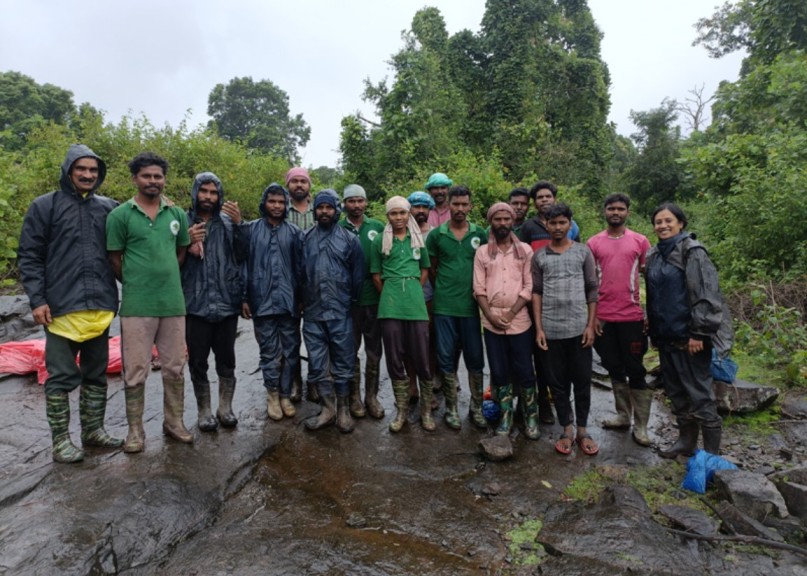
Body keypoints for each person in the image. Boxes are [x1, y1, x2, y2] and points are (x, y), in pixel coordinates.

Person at [18, 144, 123, 463]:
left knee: (96, 374)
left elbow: (130, 246)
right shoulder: (44, 206)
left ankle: (93, 431)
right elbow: (30, 256)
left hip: (100, 306)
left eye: (93, 170)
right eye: (82, 169)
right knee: (61, 375)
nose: (88, 175)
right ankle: (61, 441)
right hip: (61, 307)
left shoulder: (109, 208)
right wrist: (37, 300)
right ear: (68, 171)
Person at [106, 152, 192, 453]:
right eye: (147, 176)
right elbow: (115, 259)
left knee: (174, 366)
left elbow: (181, 253)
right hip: (136, 305)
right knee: (135, 368)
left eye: (158, 176)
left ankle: (174, 423)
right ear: (135, 179)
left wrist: (163, 278)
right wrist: (136, 282)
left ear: (164, 179)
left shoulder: (177, 214)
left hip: (172, 303)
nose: (153, 181)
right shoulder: (120, 216)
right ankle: (135, 431)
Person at [645, 203, 725, 457]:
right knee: (676, 392)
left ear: (681, 223)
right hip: (666, 337)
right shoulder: (654, 255)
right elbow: (655, 296)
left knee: (699, 394)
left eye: (668, 220)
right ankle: (686, 442)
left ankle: (711, 454)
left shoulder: (693, 252)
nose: (663, 226)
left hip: (690, 338)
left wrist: (699, 333)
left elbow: (706, 294)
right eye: (658, 222)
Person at [181, 172, 248, 432]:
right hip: (194, 305)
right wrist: (186, 244)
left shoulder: (229, 224)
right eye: (204, 191)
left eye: (213, 192)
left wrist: (240, 224)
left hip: (226, 303)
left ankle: (225, 407)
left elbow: (243, 257)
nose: (208, 197)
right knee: (197, 361)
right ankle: (204, 410)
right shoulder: (182, 221)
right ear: (195, 192)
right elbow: (169, 261)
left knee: (227, 359)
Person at [532, 204, 599, 456]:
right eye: (553, 223)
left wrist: (591, 324)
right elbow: (536, 292)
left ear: (570, 224)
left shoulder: (583, 253)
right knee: (557, 384)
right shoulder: (539, 256)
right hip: (551, 329)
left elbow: (592, 289)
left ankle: (583, 429)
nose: (558, 227)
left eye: (562, 222)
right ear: (546, 225)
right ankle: (567, 429)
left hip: (579, 329)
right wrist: (539, 328)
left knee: (582, 381)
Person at [587, 193, 653, 446]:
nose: (616, 212)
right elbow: (590, 283)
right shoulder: (593, 243)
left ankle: (642, 426)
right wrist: (591, 318)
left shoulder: (640, 241)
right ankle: (623, 415)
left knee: (635, 368)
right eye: (611, 208)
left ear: (628, 212)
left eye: (621, 208)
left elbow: (649, 279)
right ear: (603, 211)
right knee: (613, 366)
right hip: (603, 318)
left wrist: (648, 313)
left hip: (632, 317)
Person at [473, 203, 540, 439]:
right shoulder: (482, 252)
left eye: (506, 219)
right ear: (491, 222)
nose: (502, 223)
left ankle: (531, 415)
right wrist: (490, 315)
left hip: (519, 319)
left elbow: (530, 286)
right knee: (499, 370)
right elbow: (478, 288)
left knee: (524, 368)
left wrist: (511, 313)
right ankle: (506, 415)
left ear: (512, 221)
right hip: (491, 320)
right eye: (497, 219)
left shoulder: (525, 250)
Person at [301, 190, 365, 433]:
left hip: (341, 312)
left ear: (336, 210)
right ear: (315, 211)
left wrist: (349, 301)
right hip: (314, 314)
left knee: (343, 361)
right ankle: (327, 409)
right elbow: (299, 274)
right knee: (318, 363)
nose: (325, 212)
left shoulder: (350, 240)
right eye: (320, 208)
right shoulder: (304, 239)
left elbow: (358, 276)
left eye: (329, 207)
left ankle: (343, 410)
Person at [426, 185, 487, 430]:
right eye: (456, 204)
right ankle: (451, 408)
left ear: (470, 206)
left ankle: (476, 408)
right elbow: (432, 269)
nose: (460, 209)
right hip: (444, 307)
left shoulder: (479, 234)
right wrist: (444, 288)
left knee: (475, 358)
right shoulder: (437, 235)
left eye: (464, 204)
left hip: (471, 308)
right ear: (448, 205)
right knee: (446, 358)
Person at [371, 196, 434, 432]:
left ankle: (426, 412)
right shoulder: (380, 240)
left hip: (415, 304)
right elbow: (376, 275)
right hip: (390, 304)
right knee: (395, 357)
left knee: (422, 356)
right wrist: (392, 291)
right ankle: (402, 411)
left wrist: (414, 289)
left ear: (408, 215)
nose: (398, 218)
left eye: (402, 213)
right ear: (387, 216)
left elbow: (425, 269)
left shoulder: (417, 240)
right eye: (393, 214)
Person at [242, 183, 304, 421]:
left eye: (281, 202)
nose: (277, 206)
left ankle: (286, 394)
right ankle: (272, 394)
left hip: (289, 303)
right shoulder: (250, 230)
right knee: (270, 353)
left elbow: (300, 270)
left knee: (290, 351)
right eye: (272, 201)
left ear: (286, 205)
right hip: (261, 301)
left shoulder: (295, 233)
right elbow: (243, 266)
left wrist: (301, 299)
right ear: (264, 203)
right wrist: (245, 298)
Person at [339, 184, 385, 419]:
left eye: (360, 201)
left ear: (366, 203)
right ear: (344, 204)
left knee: (374, 349)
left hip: (374, 297)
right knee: (350, 349)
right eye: (351, 201)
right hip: (347, 300)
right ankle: (354, 397)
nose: (356, 206)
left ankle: (371, 397)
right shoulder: (338, 227)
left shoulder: (377, 227)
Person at [284, 167, 316, 404]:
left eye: (303, 181)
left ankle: (316, 381)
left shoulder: (321, 209)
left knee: (316, 335)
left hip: (317, 281)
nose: (299, 185)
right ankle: (295, 382)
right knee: (290, 336)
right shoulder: (279, 210)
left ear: (309, 185)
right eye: (294, 181)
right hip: (288, 281)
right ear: (288, 185)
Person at [405, 191, 438, 404]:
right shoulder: (400, 234)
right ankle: (411, 384)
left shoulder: (435, 234)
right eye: (416, 207)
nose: (420, 211)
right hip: (406, 297)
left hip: (429, 297)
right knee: (408, 342)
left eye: (424, 207)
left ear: (430, 209)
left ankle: (429, 383)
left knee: (428, 342)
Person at [519, 181, 580, 251]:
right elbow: (523, 254)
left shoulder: (571, 225)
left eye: (548, 196)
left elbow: (578, 251)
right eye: (540, 197)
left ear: (555, 200)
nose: (544, 200)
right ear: (534, 203)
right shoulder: (528, 226)